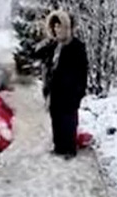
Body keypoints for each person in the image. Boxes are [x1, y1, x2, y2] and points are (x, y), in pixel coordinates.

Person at [36, 9, 88, 159]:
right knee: (56, 119)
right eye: (55, 27)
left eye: (60, 26)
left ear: (66, 27)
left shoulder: (76, 46)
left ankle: (69, 149)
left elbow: (82, 71)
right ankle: (59, 147)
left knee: (69, 121)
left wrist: (79, 91)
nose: (57, 30)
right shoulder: (53, 46)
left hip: (70, 92)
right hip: (55, 90)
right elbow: (38, 55)